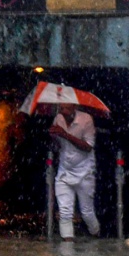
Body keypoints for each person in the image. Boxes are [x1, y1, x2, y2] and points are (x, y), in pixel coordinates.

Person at [50, 103, 99, 241]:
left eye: (65, 107)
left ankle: (96, 233)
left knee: (86, 212)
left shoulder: (86, 119)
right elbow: (57, 145)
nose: (62, 110)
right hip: (64, 171)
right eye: (60, 107)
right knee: (65, 212)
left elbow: (88, 147)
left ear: (74, 107)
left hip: (85, 172)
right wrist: (53, 137)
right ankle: (67, 249)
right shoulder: (58, 118)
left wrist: (65, 134)